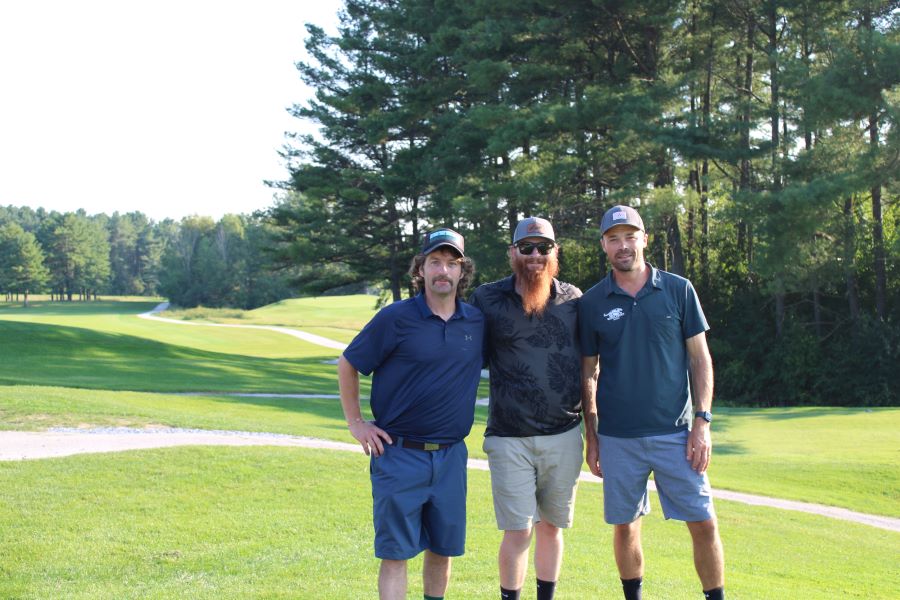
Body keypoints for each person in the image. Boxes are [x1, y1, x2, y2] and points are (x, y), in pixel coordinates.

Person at [579, 205, 725, 600]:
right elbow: (588, 374)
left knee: (704, 522)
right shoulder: (592, 303)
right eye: (614, 238)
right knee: (625, 526)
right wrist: (592, 437)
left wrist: (703, 423)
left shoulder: (679, 289)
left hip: (677, 434)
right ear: (604, 246)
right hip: (618, 437)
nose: (623, 245)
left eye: (630, 236)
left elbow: (700, 358)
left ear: (645, 239)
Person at [337, 228, 485, 600]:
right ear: (420, 268)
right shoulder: (396, 318)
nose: (443, 271)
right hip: (399, 455)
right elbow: (348, 363)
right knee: (395, 554)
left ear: (462, 271)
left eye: (452, 263)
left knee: (443, 550)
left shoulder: (476, 323)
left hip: (452, 456)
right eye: (435, 261)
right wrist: (356, 423)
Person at [469, 217, 584, 600]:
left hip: (564, 434)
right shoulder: (487, 299)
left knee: (551, 527)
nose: (536, 255)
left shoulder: (574, 300)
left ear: (555, 252)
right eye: (527, 247)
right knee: (518, 530)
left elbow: (592, 365)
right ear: (512, 252)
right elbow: (464, 354)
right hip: (508, 436)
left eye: (544, 247)